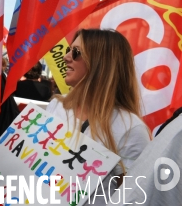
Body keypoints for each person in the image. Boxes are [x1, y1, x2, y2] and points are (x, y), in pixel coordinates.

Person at [46, 28, 150, 184]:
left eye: (76, 52)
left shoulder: (130, 128)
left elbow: (133, 195)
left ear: (101, 63)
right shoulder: (57, 105)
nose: (66, 57)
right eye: (69, 50)